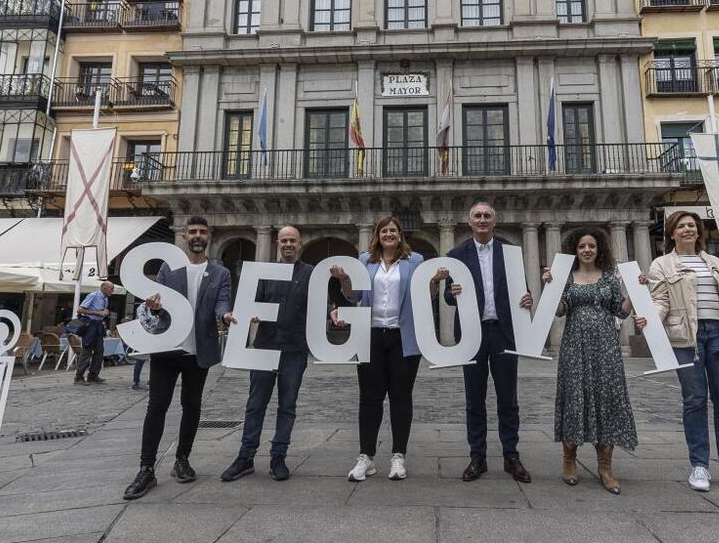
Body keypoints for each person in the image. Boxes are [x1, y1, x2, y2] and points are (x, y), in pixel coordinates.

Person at [639, 210, 719, 494]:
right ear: (672, 233)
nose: (687, 230)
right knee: (694, 400)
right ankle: (699, 464)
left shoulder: (715, 262)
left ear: (698, 231)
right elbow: (660, 300)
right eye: (681, 226)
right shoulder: (661, 264)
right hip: (686, 338)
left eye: (692, 225)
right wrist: (650, 318)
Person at [123, 216, 234, 500]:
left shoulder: (220, 273)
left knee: (192, 406)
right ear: (184, 237)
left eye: (203, 232)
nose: (197, 236)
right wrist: (156, 308)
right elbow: (158, 305)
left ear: (209, 237)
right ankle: (146, 468)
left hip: (199, 350)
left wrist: (225, 315)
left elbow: (222, 302)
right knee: (156, 406)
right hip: (167, 348)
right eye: (193, 232)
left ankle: (182, 460)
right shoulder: (168, 268)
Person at [330, 216, 446, 481]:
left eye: (393, 230)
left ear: (400, 234)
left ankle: (398, 456)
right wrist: (344, 279)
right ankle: (366, 457)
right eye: (384, 231)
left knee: (401, 398)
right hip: (370, 336)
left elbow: (423, 296)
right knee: (369, 399)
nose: (389, 234)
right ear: (377, 235)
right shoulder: (364, 261)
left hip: (403, 337)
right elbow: (353, 295)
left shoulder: (414, 260)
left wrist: (434, 282)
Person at [542, 227, 646, 494]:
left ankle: (605, 467)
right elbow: (560, 310)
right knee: (574, 397)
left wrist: (635, 293)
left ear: (599, 249)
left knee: (606, 399)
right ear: (574, 251)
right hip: (574, 347)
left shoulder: (610, 278)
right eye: (581, 247)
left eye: (591, 246)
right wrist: (550, 287)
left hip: (606, 348)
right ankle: (569, 461)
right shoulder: (566, 278)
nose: (586, 250)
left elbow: (619, 312)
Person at [444, 202, 534, 483]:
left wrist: (528, 297)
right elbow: (448, 298)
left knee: (509, 398)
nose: (482, 220)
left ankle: (511, 455)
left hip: (504, 332)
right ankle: (477, 456)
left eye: (487, 216)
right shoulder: (456, 255)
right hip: (472, 334)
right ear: (469, 223)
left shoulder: (510, 252)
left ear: (495, 222)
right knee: (474, 399)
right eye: (477, 216)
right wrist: (452, 291)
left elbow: (522, 288)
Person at [222, 226, 313, 483]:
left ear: (300, 243)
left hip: (294, 349)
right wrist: (249, 313)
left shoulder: (310, 273)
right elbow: (250, 303)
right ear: (277, 243)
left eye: (292, 240)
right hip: (264, 346)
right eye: (284, 240)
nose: (288, 244)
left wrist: (331, 314)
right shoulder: (263, 274)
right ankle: (245, 457)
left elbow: (318, 306)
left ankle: (278, 457)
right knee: (255, 404)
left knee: (287, 406)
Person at [74, 281, 114, 385]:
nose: (112, 291)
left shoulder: (106, 299)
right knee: (87, 351)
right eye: (111, 288)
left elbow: (102, 311)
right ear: (104, 288)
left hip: (99, 325)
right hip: (90, 325)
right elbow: (80, 310)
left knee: (99, 351)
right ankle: (78, 377)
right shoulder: (93, 295)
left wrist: (105, 312)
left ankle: (93, 375)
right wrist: (98, 312)